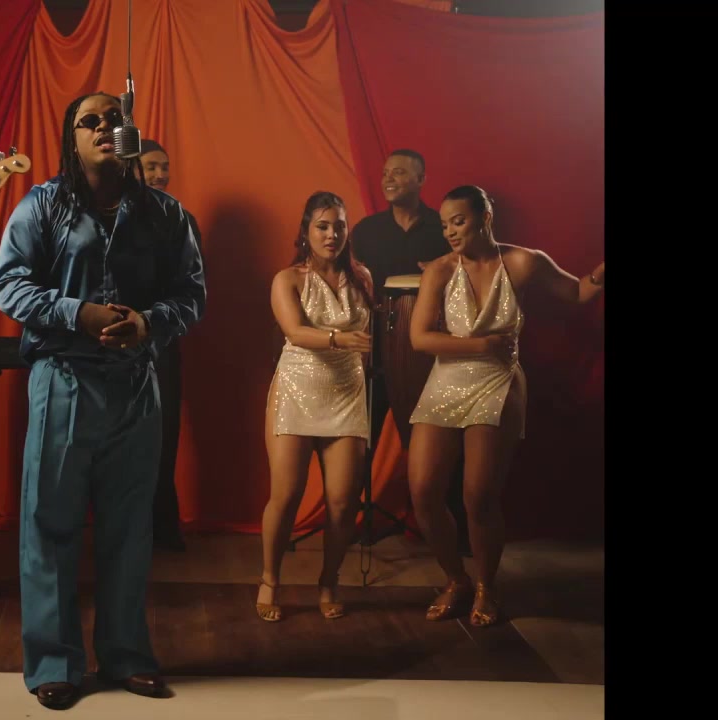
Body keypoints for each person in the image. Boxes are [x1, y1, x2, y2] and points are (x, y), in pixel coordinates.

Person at [0, 92, 206, 710]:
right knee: (51, 524)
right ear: (72, 137)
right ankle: (54, 662)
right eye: (91, 120)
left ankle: (126, 655)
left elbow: (192, 294)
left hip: (136, 383)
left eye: (116, 118)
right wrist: (75, 313)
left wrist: (148, 322)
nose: (105, 126)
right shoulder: (42, 205)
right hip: (63, 378)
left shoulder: (166, 214)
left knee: (130, 528)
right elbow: (9, 284)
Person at [407, 184, 604, 627]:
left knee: (478, 495)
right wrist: (480, 344)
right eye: (444, 225)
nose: (450, 232)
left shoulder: (523, 262)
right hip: (446, 381)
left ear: (485, 217)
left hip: (498, 382)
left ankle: (485, 586)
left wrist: (601, 272)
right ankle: (456, 579)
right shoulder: (439, 270)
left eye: (458, 221)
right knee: (422, 491)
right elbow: (420, 338)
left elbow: (577, 293)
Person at [255, 190, 373, 623]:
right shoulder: (287, 279)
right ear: (306, 231)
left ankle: (329, 579)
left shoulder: (362, 276)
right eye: (322, 226)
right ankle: (270, 579)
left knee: (342, 502)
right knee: (286, 496)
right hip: (297, 389)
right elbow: (295, 331)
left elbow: (368, 340)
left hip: (346, 392)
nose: (331, 234)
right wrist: (341, 339)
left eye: (339, 226)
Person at [350, 148, 469, 549]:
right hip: (375, 347)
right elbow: (352, 283)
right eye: (386, 172)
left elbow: (469, 277)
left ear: (421, 179)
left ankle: (455, 531)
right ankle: (350, 520)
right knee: (361, 436)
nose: (389, 178)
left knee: (440, 441)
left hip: (429, 350)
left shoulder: (443, 228)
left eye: (399, 173)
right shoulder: (366, 230)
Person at [138, 138, 201, 552]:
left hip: (161, 343)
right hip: (111, 342)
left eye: (164, 166)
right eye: (151, 167)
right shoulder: (109, 215)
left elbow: (193, 286)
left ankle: (162, 527)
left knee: (163, 437)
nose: (160, 174)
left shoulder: (182, 220)